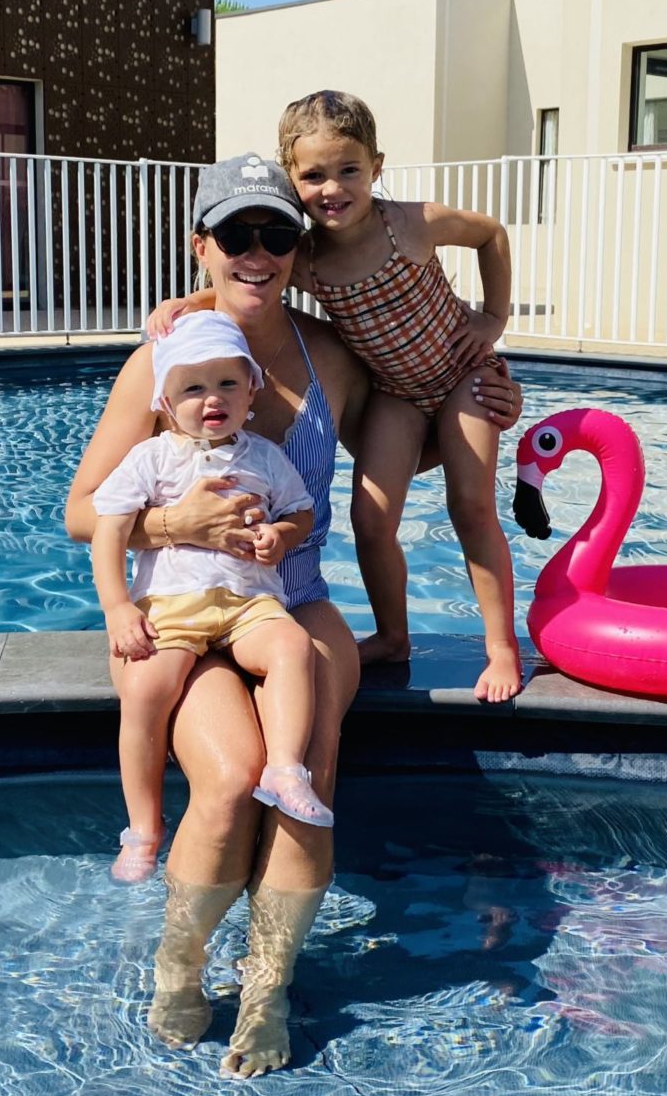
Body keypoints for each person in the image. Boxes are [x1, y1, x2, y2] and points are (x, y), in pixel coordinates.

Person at [65, 153, 523, 1078]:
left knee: (305, 777)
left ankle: (267, 987)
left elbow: (408, 449)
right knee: (233, 777)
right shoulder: (162, 358)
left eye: (277, 233)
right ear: (202, 246)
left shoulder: (333, 357)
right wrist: (176, 523)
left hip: (294, 599)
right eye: (236, 234)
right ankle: (181, 967)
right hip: (178, 607)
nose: (258, 252)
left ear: (296, 247)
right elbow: (84, 510)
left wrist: (484, 400)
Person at [152, 92, 524, 703]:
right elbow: (246, 273)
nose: (332, 188)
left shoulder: (412, 224)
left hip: (465, 377)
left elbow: (491, 234)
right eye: (313, 176)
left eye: (349, 169)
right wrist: (188, 303)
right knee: (370, 519)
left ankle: (501, 646)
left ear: (376, 166)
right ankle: (395, 637)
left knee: (470, 506)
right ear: (292, 177)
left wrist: (493, 318)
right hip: (397, 396)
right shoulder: (306, 257)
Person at [91, 310, 332, 885]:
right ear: (165, 403)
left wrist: (282, 535)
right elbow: (108, 532)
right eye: (192, 388)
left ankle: (284, 769)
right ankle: (143, 827)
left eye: (227, 383)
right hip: (172, 607)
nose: (212, 398)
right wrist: (118, 607)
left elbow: (301, 511)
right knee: (146, 690)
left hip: (248, 603)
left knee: (293, 648)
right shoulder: (152, 458)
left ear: (252, 392)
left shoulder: (265, 456)